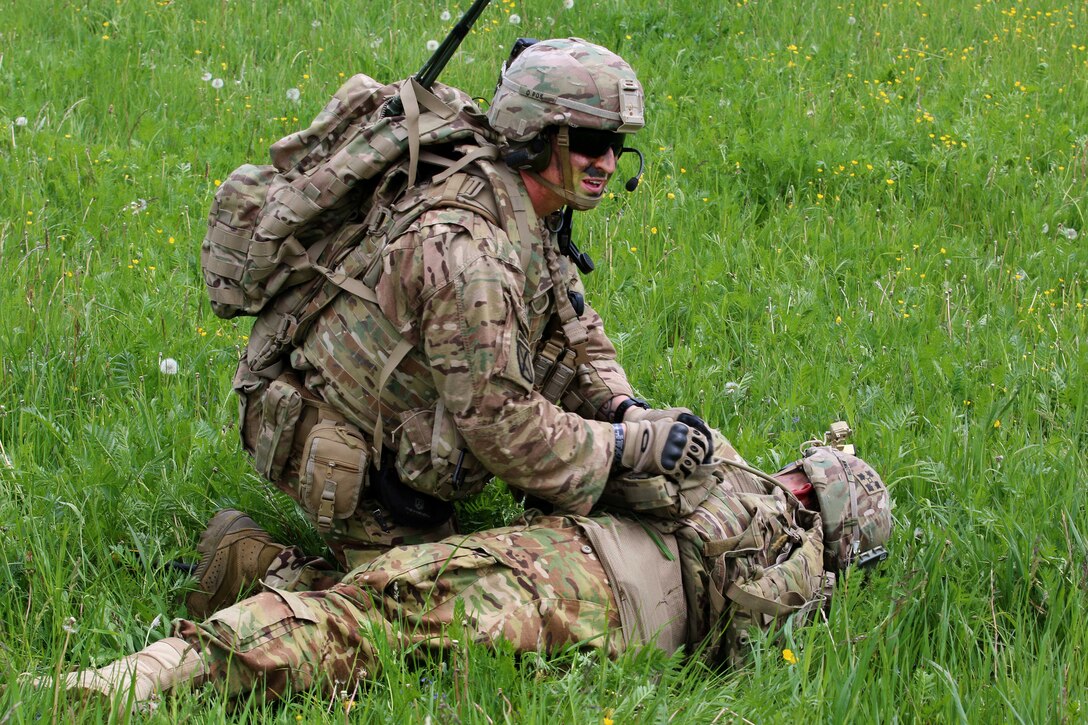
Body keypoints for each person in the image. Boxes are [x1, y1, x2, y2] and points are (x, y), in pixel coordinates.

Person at [190, 38, 716, 617]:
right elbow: (503, 427)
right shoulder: (470, 253)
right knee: (431, 614)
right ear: (537, 136)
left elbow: (569, 327)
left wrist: (621, 407)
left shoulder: (523, 203)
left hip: (396, 431)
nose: (609, 163)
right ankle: (245, 561)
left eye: (616, 144)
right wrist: (622, 447)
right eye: (591, 143)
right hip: (337, 445)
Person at [47, 438, 893, 713]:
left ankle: (252, 563)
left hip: (585, 619)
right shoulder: (742, 490)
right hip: (559, 579)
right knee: (374, 627)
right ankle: (136, 680)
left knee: (395, 632)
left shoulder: (765, 514)